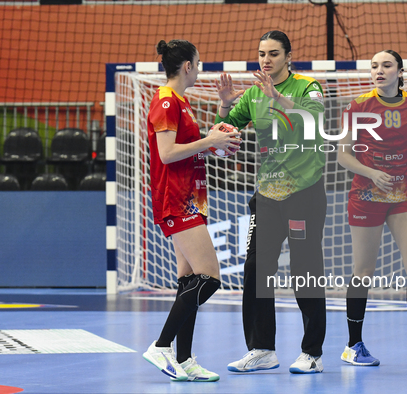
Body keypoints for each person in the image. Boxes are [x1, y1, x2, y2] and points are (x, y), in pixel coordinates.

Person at [215, 30, 327, 374]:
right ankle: (262, 348)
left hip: (304, 194)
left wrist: (276, 97)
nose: (266, 59)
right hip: (267, 195)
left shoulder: (309, 88)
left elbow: (313, 123)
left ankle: (312, 353)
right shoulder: (252, 94)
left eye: (274, 53)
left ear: (288, 57)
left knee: (304, 270)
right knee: (256, 267)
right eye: (262, 53)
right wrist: (225, 104)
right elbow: (223, 132)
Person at [337, 50, 407, 366]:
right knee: (364, 272)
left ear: (400, 71)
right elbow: (343, 155)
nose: (379, 70)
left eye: (386, 65)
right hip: (367, 196)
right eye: (374, 66)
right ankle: (353, 346)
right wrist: (372, 173)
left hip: (405, 195)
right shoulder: (357, 106)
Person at [142, 38, 242, 382]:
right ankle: (161, 345)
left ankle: (183, 360)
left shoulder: (181, 102)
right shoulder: (166, 101)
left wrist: (223, 113)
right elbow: (168, 153)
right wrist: (211, 142)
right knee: (210, 278)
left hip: (191, 197)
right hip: (175, 199)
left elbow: (192, 149)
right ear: (187, 66)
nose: (199, 69)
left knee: (188, 281)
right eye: (198, 64)